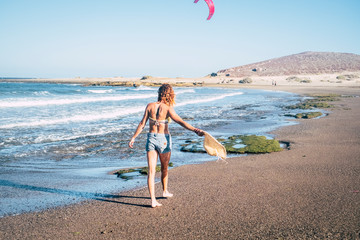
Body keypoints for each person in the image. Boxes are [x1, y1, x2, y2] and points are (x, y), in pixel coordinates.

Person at [128, 84, 204, 208]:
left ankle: (153, 200)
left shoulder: (149, 106)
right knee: (164, 168)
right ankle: (164, 191)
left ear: (159, 93)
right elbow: (181, 122)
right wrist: (195, 130)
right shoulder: (168, 108)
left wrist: (134, 137)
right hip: (164, 140)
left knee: (151, 171)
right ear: (170, 94)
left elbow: (142, 123)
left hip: (151, 139)